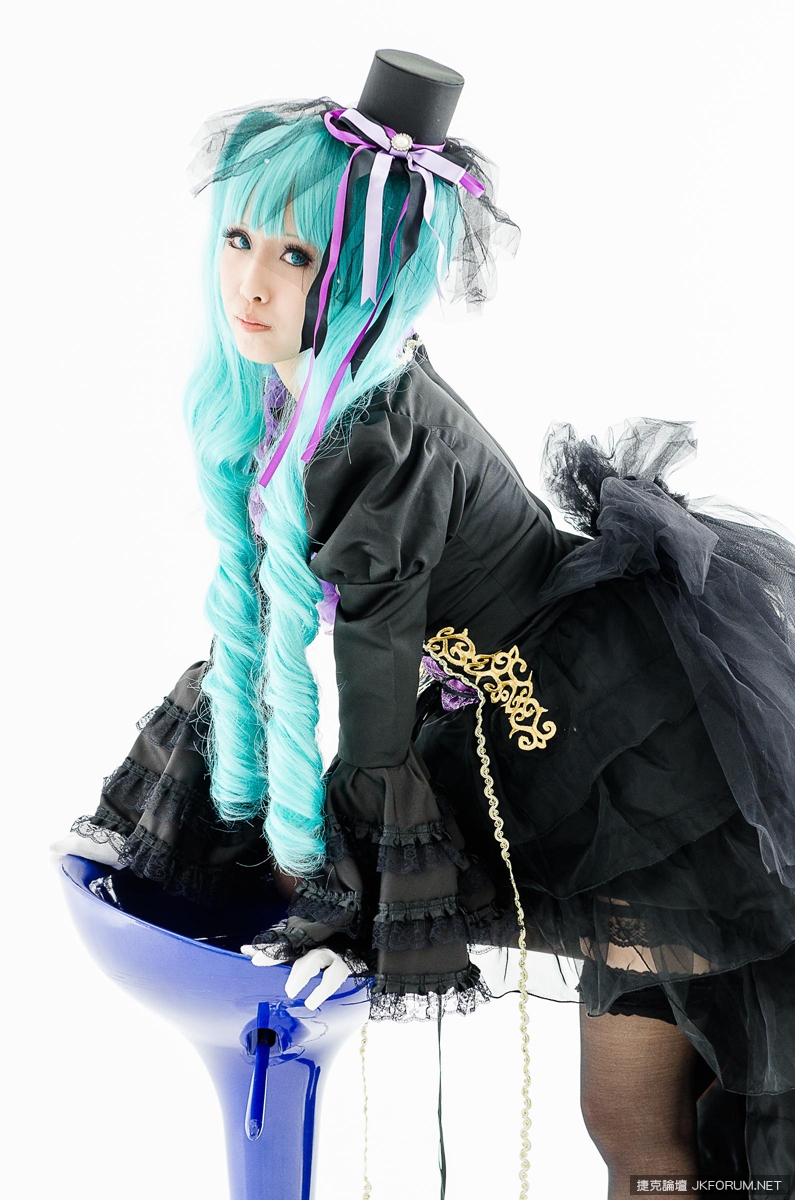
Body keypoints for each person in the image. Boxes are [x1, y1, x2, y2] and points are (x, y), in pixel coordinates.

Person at [52, 48, 795, 1198]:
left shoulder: (382, 434)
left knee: (646, 1125)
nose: (251, 283)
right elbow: (271, 628)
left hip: (613, 749)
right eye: (239, 240)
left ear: (366, 273)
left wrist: (339, 907)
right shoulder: (304, 397)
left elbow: (373, 675)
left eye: (297, 255)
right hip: (527, 725)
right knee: (638, 1123)